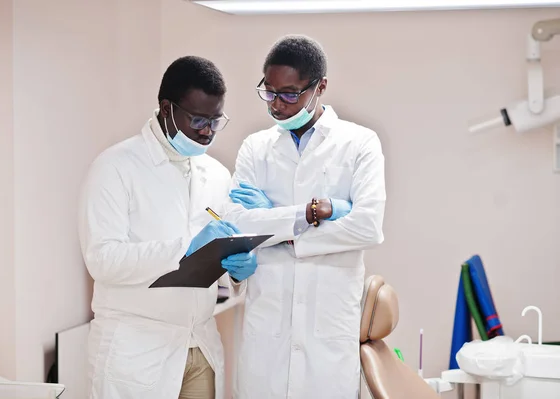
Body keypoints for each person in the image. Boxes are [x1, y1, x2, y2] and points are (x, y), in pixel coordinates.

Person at [78, 55, 257, 399]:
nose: (207, 131)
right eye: (198, 119)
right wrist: (184, 249)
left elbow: (222, 255)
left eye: (216, 120)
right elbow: (101, 259)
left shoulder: (217, 174)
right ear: (166, 108)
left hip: (199, 345)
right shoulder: (115, 167)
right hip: (137, 349)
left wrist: (238, 271)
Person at [224, 35, 387, 398]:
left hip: (327, 334)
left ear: (321, 87)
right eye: (269, 92)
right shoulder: (255, 148)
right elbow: (238, 221)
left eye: (290, 94)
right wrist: (311, 214)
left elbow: (367, 226)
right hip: (268, 335)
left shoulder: (360, 144)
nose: (276, 105)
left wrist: (277, 225)